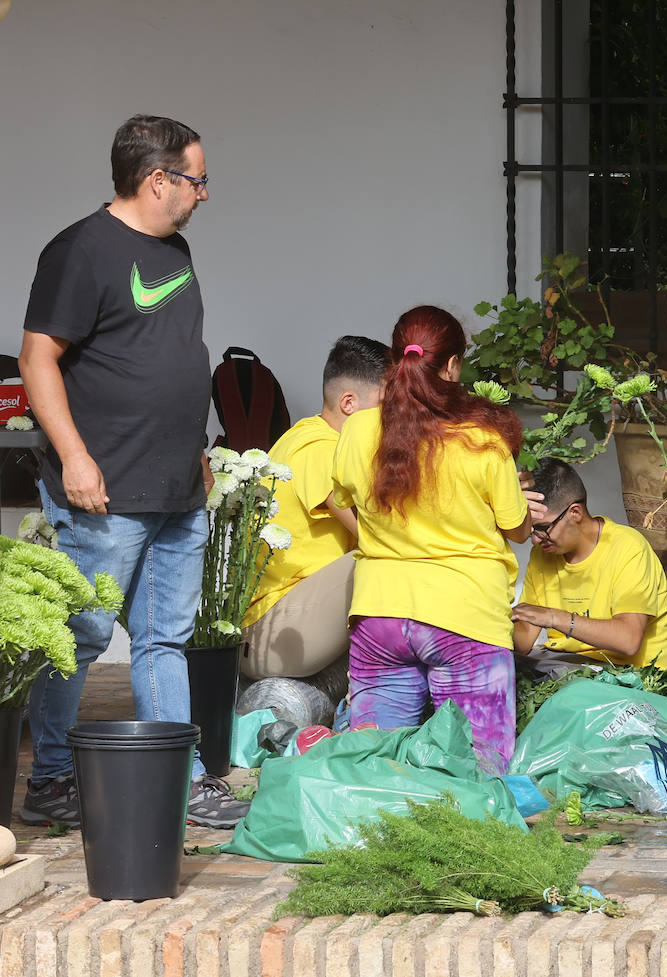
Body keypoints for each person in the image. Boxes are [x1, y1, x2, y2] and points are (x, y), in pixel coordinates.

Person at [18, 114, 248, 828]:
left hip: (176, 487)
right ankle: (53, 776)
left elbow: (170, 357)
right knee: (81, 634)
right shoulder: (80, 251)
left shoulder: (175, 251)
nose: (204, 193)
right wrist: (76, 456)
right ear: (158, 179)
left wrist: (200, 452)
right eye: (197, 178)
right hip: (104, 491)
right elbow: (36, 359)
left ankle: (171, 780)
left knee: (163, 641)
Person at [330, 305, 532, 774]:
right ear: (454, 365)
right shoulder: (482, 440)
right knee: (477, 775)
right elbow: (516, 529)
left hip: (379, 614)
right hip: (466, 620)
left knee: (373, 766)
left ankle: (368, 845)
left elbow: (342, 497)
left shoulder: (358, 427)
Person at [239, 336, 389, 681]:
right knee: (388, 555)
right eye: (388, 405)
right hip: (274, 633)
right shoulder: (320, 448)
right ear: (349, 403)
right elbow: (377, 535)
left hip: (295, 620)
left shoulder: (312, 436)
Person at [512, 459, 667, 676]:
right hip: (563, 668)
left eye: (542, 528)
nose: (535, 540)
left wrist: (553, 617)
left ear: (575, 513)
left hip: (628, 678)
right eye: (531, 529)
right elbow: (522, 641)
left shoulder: (628, 548)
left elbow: (628, 640)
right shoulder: (542, 555)